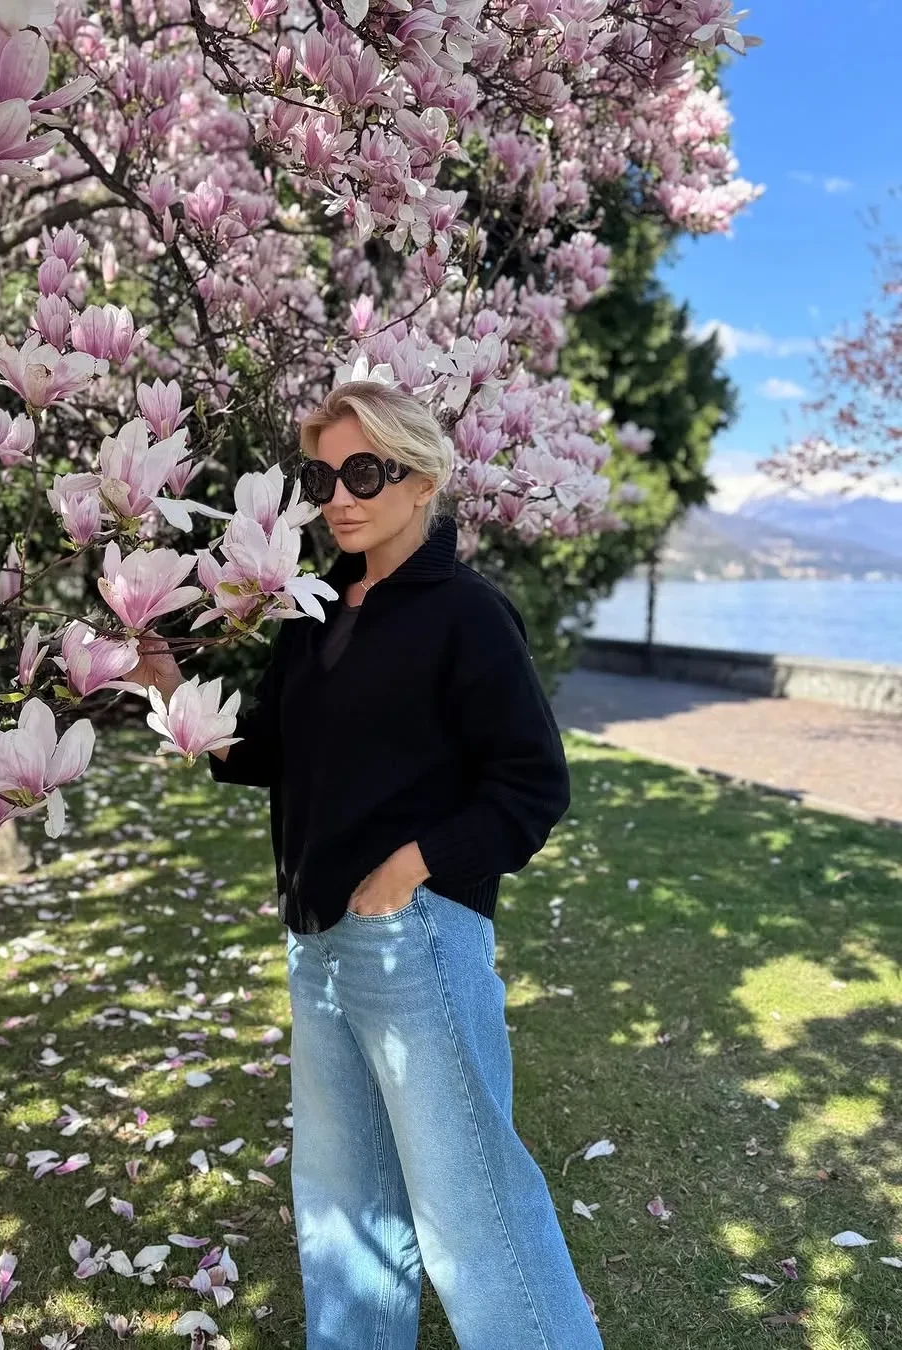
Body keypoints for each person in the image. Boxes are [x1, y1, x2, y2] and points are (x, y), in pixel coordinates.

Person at [139, 381, 603, 1349]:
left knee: (472, 1210)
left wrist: (410, 870)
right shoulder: (314, 612)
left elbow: (532, 785)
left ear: (422, 479)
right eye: (322, 479)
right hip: (315, 945)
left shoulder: (469, 615)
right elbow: (267, 751)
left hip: (413, 941)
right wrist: (174, 692)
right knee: (344, 1212)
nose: (339, 498)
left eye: (364, 472)